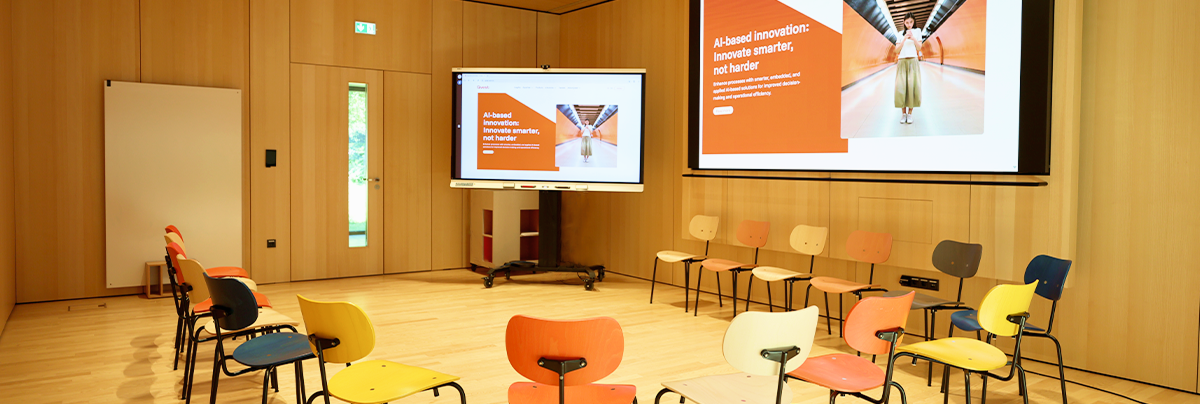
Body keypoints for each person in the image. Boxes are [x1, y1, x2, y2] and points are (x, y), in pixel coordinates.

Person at [894, 13, 924, 124]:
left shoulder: (918, 31)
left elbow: (919, 47)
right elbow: (897, 50)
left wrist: (912, 38)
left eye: (911, 22)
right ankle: (903, 114)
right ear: (904, 23)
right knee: (901, 88)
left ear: (914, 21)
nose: (909, 25)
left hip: (913, 61)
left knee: (912, 88)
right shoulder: (900, 34)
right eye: (907, 22)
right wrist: (904, 38)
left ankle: (910, 114)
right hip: (902, 62)